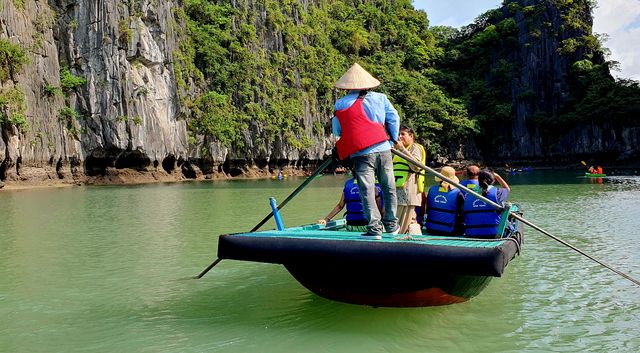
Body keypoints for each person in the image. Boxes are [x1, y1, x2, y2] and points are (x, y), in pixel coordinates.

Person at [332, 63, 400, 239]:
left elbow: (337, 131)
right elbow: (394, 118)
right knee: (388, 186)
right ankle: (392, 226)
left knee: (367, 190)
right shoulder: (381, 98)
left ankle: (375, 229)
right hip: (384, 148)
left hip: (361, 153)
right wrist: (392, 139)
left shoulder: (340, 103)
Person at [318, 177, 383, 232]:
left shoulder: (348, 183)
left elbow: (340, 206)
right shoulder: (376, 184)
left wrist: (326, 219)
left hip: (351, 226)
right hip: (368, 226)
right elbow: (380, 208)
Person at [393, 125, 426, 234]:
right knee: (409, 221)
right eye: (399, 134)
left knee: (401, 223)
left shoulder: (414, 147)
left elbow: (416, 166)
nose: (400, 136)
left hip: (408, 192)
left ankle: (397, 244)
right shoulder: (396, 149)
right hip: (399, 191)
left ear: (411, 136)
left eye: (403, 134)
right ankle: (413, 240)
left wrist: (402, 149)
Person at [462, 169, 510, 239]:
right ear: (492, 180)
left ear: (478, 180)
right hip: (493, 234)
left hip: (471, 233)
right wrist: (497, 176)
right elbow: (507, 189)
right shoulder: (498, 193)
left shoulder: (468, 193)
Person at [424, 166, 464, 236]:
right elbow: (462, 212)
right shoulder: (458, 192)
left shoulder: (431, 189)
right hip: (450, 230)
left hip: (431, 228)